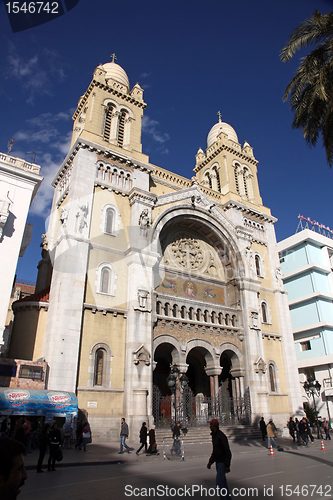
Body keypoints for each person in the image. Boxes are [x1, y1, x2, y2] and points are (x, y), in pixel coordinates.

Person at [207, 419, 232, 499]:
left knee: (219, 483)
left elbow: (227, 451)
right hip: (218, 462)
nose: (209, 426)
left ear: (214, 426)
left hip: (222, 462)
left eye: (210, 425)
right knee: (223, 483)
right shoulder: (214, 436)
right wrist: (210, 462)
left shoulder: (221, 436)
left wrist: (227, 465)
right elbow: (215, 451)